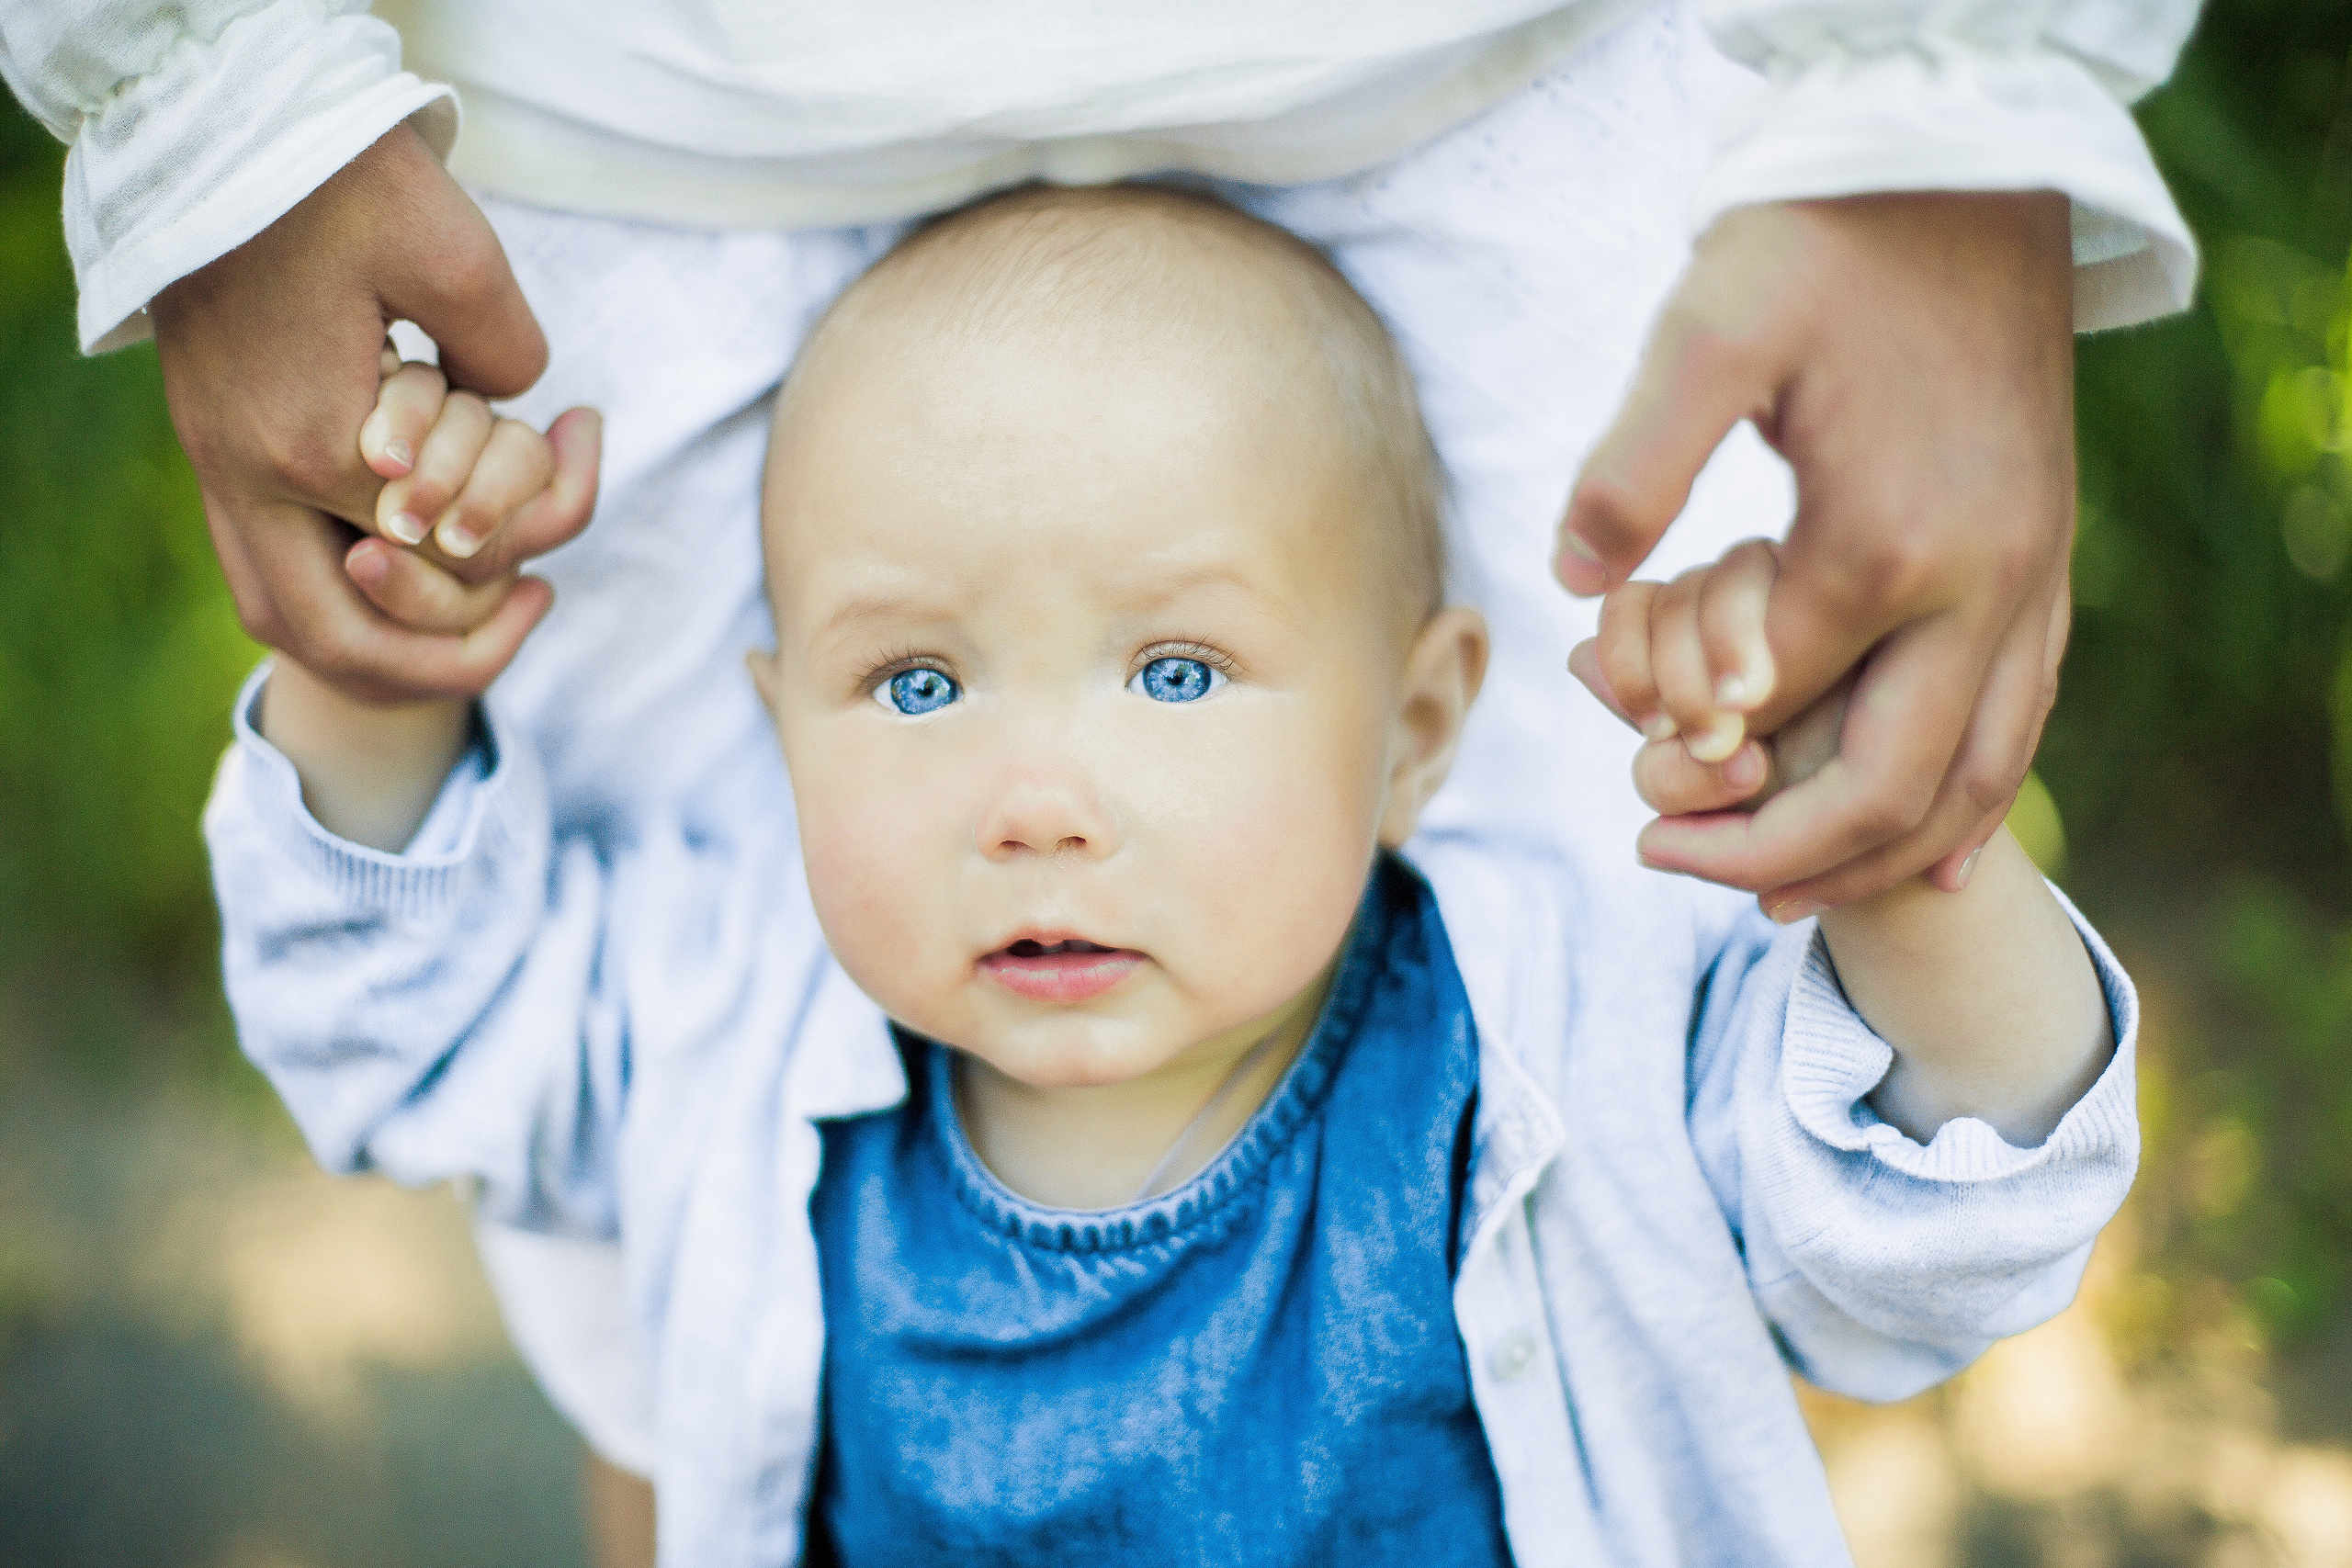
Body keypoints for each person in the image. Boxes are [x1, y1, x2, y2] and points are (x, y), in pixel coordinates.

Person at [5, 0, 2196, 1541]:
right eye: (918, 686)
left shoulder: (1563, 1030)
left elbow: (1946, 1233)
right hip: (616, 120)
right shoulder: (708, 1014)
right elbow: (397, 1035)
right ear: (775, 725)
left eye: (1172, 668)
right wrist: (383, 678)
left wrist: (1906, 863)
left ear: (1422, 721)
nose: (1033, 799)